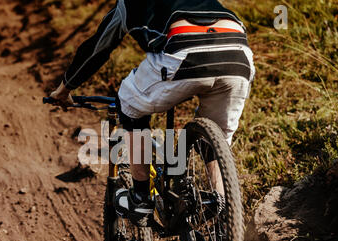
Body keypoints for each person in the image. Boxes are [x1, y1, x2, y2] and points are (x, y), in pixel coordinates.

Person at [50, 0, 255, 227]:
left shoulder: (127, 4)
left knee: (128, 102)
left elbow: (96, 49)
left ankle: (139, 198)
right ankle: (223, 206)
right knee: (217, 139)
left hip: (183, 54)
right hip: (239, 57)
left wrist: (64, 89)